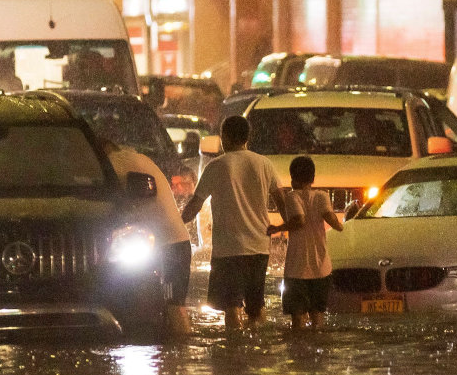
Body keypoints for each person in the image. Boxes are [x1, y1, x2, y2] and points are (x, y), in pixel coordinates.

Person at [180, 115, 286, 330]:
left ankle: (234, 352)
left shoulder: (217, 166)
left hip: (229, 250)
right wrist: (291, 227)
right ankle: (258, 349)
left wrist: (174, 223)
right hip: (259, 247)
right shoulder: (265, 164)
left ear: (224, 137)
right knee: (256, 308)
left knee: (231, 308)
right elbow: (283, 203)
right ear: (247, 137)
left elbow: (195, 206)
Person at [102, 139, 193, 336]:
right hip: (174, 243)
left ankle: (183, 348)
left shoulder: (115, 162)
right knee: (171, 305)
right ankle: (176, 356)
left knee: (173, 306)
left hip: (168, 246)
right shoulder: (138, 158)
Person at [266, 156, 343, 330]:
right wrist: (344, 222)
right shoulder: (322, 196)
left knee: (297, 321)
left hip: (297, 269)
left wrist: (277, 228)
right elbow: (335, 224)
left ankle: (299, 353)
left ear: (293, 179)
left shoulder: (292, 197)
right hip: (321, 268)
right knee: (318, 319)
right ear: (313, 179)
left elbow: (299, 220)